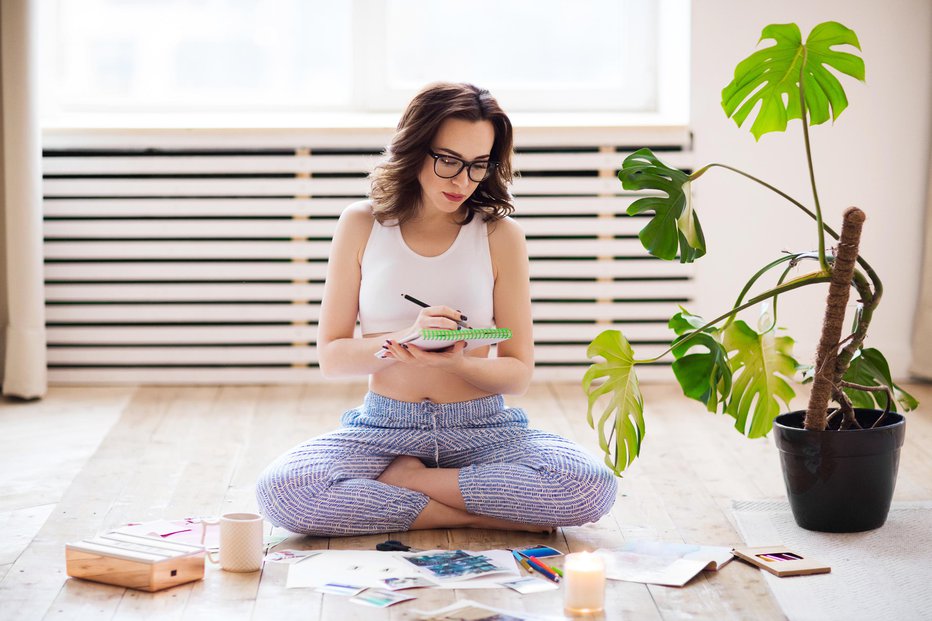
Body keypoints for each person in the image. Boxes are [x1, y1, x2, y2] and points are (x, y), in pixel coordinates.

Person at [255, 82, 617, 536]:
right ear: (414, 147)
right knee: (284, 492)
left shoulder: (501, 235)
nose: (463, 182)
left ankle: (413, 483)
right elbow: (332, 356)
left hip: (484, 427)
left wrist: (461, 360)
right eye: (448, 161)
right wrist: (406, 338)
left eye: (478, 166)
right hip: (385, 427)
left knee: (590, 486)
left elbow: (518, 371)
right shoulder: (361, 224)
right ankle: (479, 513)